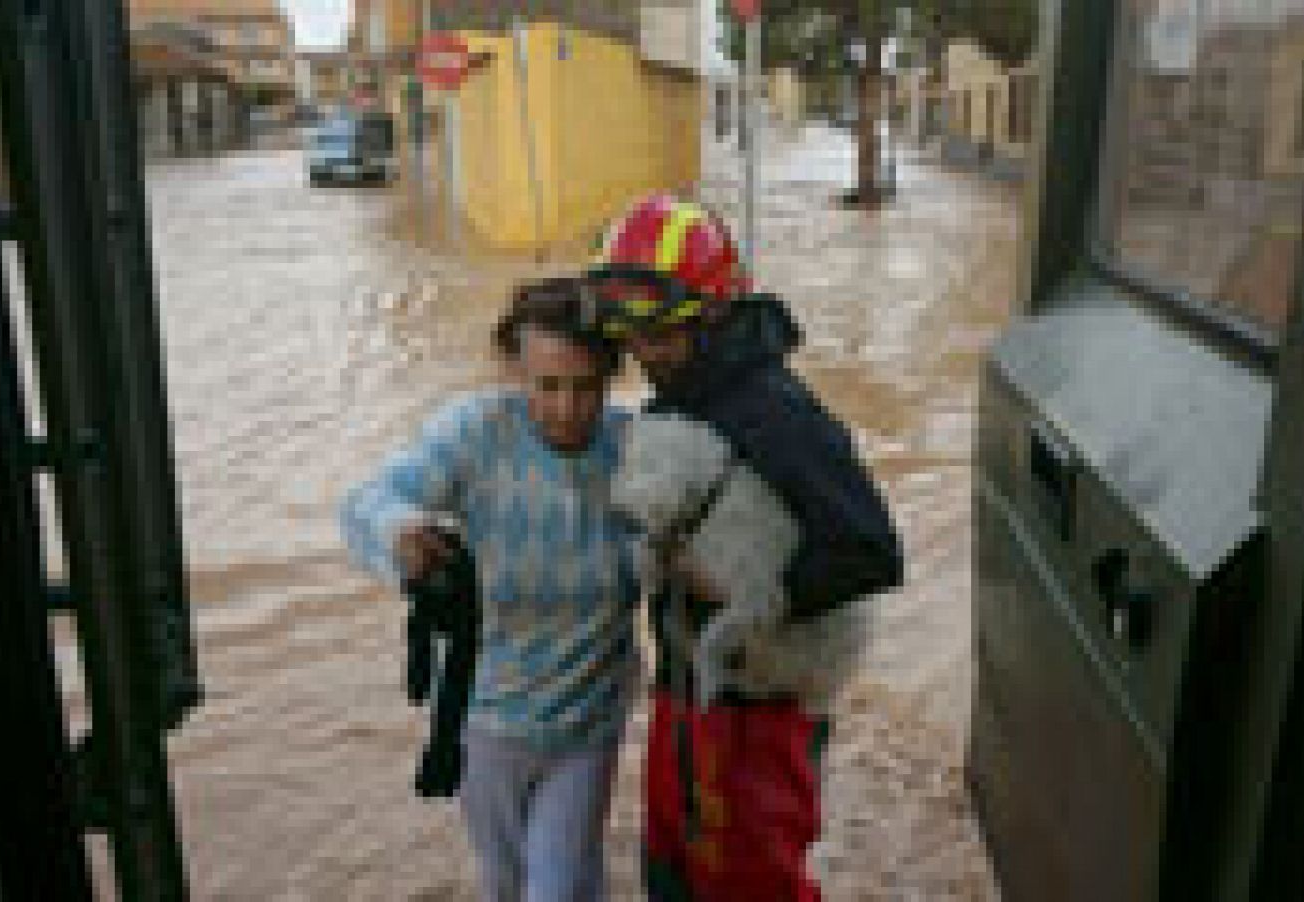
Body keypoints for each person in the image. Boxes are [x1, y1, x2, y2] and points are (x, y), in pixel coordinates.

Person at [587, 195, 905, 900]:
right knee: (672, 871)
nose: (644, 356)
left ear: (712, 313)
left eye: (660, 337)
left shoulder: (774, 411)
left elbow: (872, 552)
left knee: (753, 882)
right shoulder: (686, 391)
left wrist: (748, 594)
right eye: (632, 339)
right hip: (689, 689)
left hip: (760, 715)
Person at [341, 277, 638, 902]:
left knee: (553, 885)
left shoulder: (638, 449)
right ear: (514, 369)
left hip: (588, 720)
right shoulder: (475, 434)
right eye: (546, 386)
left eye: (587, 387)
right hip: (489, 719)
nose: (566, 409)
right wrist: (402, 534)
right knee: (508, 883)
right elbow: (368, 501)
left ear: (612, 374)